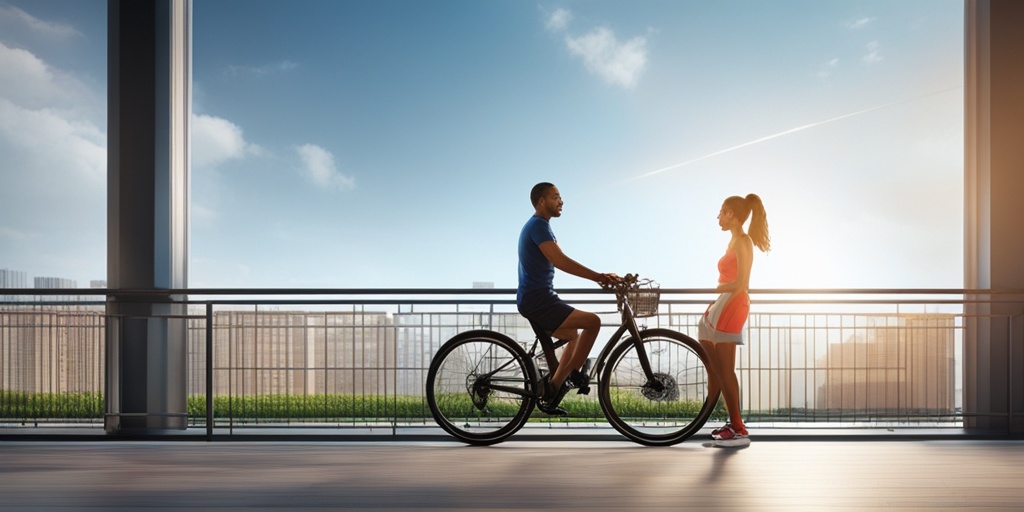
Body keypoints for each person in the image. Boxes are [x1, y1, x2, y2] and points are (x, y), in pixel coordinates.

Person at [518, 182, 617, 414]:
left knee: (573, 336)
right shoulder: (538, 226)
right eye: (555, 197)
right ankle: (572, 375)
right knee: (593, 322)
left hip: (539, 297)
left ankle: (554, 388)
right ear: (541, 201)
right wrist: (599, 277)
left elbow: (559, 259)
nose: (561, 201)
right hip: (538, 299)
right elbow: (561, 261)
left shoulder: (540, 226)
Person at [699, 193, 770, 444]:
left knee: (726, 370)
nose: (718, 216)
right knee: (715, 365)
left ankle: (738, 428)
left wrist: (718, 292)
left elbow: (742, 283)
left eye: (721, 211)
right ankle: (722, 420)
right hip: (724, 303)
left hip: (733, 304)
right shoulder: (733, 242)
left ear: (731, 214)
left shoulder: (743, 241)